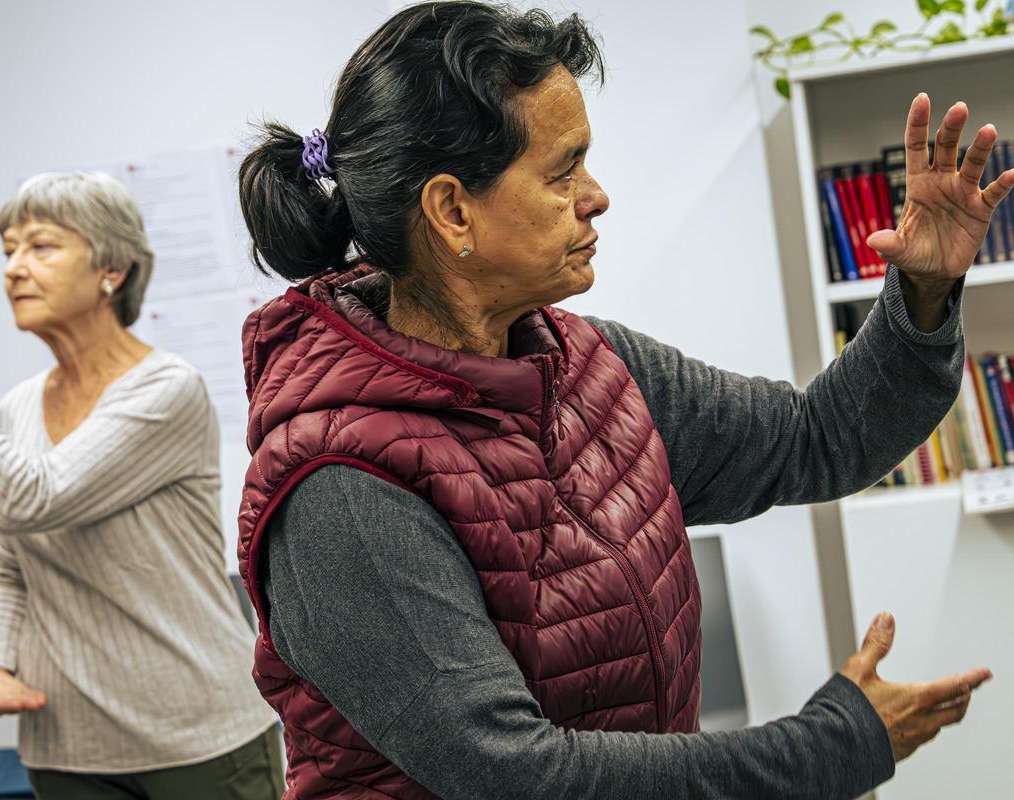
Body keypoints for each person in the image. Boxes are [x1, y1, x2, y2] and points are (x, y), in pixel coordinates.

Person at [233, 3, 1011, 798]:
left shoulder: (591, 365)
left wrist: (923, 287)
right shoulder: (339, 489)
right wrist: (829, 748)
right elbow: (519, 776)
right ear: (453, 210)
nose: (596, 197)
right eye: (562, 172)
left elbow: (814, 437)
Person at [0, 172, 282, 800]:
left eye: (40, 246)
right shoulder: (15, 409)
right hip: (68, 746)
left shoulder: (166, 390)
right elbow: (8, 563)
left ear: (112, 270)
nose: (13, 268)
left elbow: (30, 496)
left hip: (198, 736)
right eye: (7, 250)